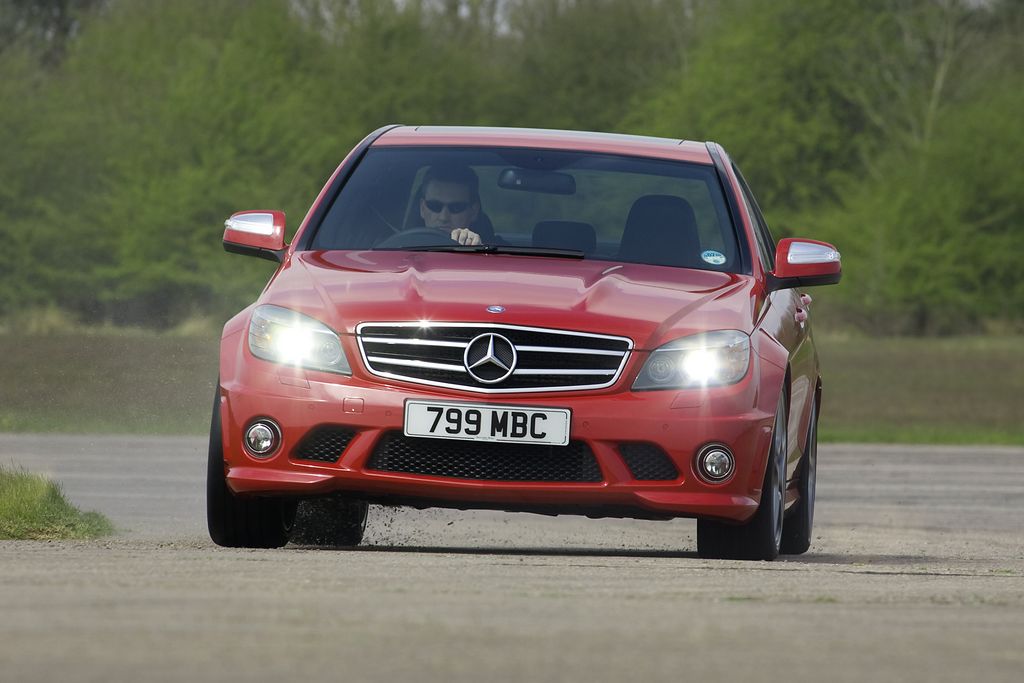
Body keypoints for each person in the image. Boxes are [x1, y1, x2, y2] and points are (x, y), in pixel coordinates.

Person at [418, 165, 484, 245]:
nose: (444, 217)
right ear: (422, 208)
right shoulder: (401, 246)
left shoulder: (496, 254)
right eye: (435, 206)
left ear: (474, 211)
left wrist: (476, 251)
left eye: (456, 208)